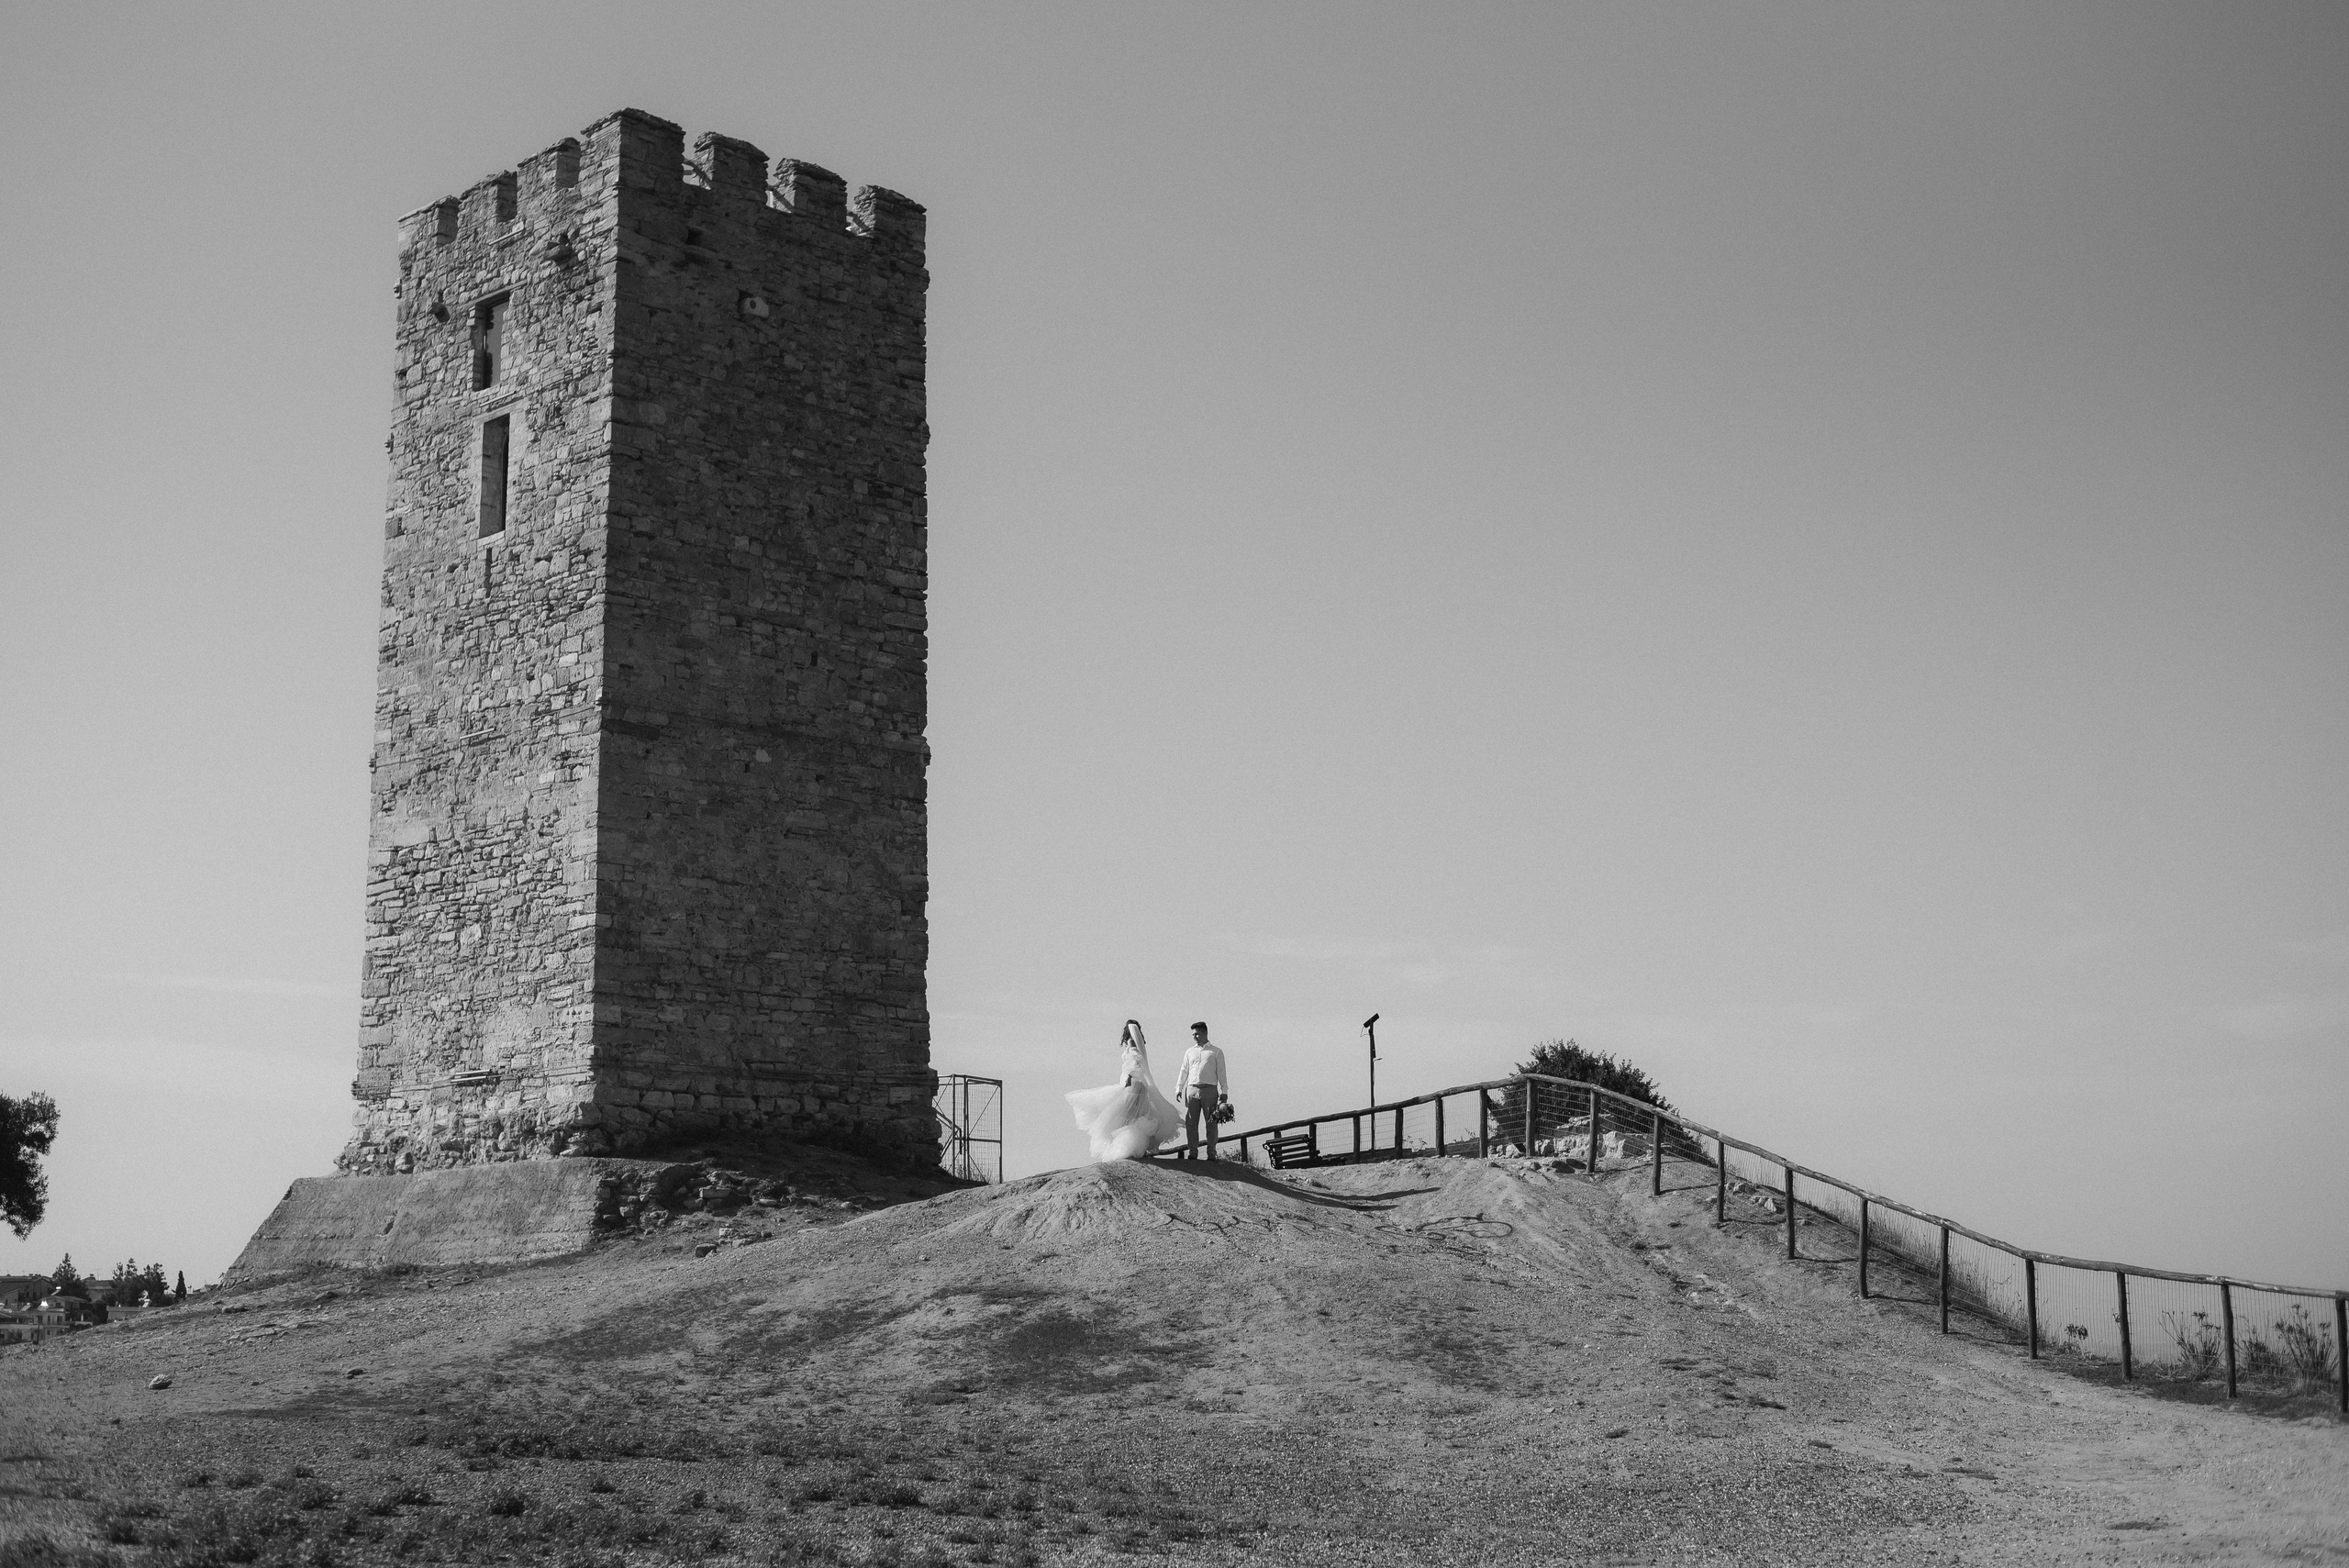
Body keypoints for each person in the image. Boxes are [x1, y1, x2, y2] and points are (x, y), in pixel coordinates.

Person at [1064, 1020, 1182, 1162]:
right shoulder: (1139, 1043)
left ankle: (1128, 1146)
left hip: (1133, 1083)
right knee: (1138, 1114)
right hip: (1140, 1084)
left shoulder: (1131, 1042)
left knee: (1128, 1114)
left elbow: (1135, 1059)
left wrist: (1129, 1077)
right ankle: (1135, 1146)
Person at [1173, 1021, 1230, 1157]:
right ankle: (1193, 1151)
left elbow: (1221, 1073)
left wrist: (1224, 1091)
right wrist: (1179, 1088)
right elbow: (1184, 1070)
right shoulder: (1189, 1051)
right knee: (1191, 1122)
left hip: (1210, 1089)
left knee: (1211, 1122)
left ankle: (1211, 1152)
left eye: (1197, 1034)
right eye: (1193, 1034)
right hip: (1192, 1089)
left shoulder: (1216, 1051)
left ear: (1205, 1033)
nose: (1195, 1037)